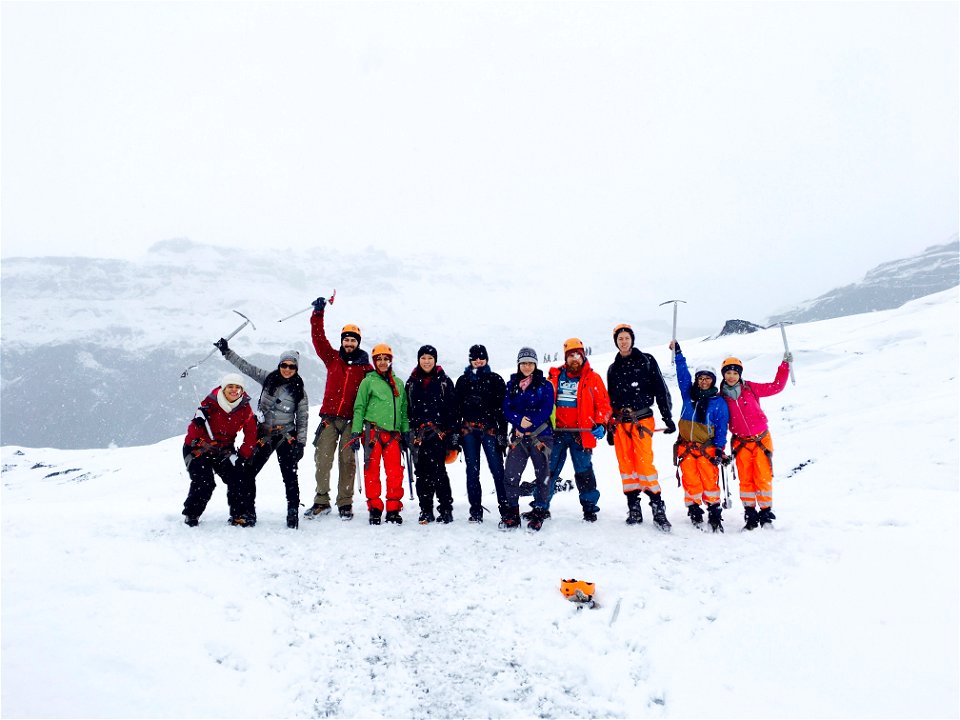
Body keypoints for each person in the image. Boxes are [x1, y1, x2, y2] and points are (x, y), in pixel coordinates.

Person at [215, 339, 309, 529]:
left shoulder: (300, 391)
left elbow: (303, 418)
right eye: (284, 365)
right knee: (248, 472)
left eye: (292, 366)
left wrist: (301, 443)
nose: (288, 369)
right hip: (264, 434)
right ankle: (248, 513)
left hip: (286, 436)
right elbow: (246, 367)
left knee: (290, 476)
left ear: (296, 368)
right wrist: (227, 352)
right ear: (279, 365)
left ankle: (292, 514)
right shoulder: (268, 379)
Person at [306, 295, 372, 521]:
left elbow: (376, 393)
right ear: (342, 341)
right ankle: (321, 501)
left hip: (352, 421)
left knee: (348, 461)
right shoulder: (332, 358)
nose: (349, 343)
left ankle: (345, 503)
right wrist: (318, 314)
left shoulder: (366, 368)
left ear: (358, 343)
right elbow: (318, 339)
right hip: (329, 419)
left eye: (353, 340)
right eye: (346, 340)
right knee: (323, 459)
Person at [538, 338, 612, 530]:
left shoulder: (592, 379)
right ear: (566, 357)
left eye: (578, 355)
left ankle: (589, 507)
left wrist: (602, 424)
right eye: (571, 355)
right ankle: (541, 506)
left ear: (583, 356)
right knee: (549, 470)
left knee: (584, 471)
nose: (575, 359)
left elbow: (603, 406)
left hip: (581, 434)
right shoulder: (554, 378)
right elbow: (542, 404)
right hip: (557, 434)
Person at [607, 324, 676, 531]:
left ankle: (657, 506)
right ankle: (633, 507)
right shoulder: (613, 368)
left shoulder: (646, 360)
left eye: (626, 338)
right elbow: (610, 399)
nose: (624, 342)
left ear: (632, 339)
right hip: (620, 422)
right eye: (620, 339)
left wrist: (667, 416)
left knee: (644, 464)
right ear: (616, 342)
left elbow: (660, 389)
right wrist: (610, 426)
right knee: (626, 466)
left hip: (642, 419)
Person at [719, 352, 791, 530]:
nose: (731, 376)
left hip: (761, 440)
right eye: (728, 372)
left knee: (763, 477)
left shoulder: (750, 388)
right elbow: (718, 424)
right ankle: (750, 515)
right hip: (741, 443)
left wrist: (784, 366)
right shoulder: (721, 397)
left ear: (740, 375)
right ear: (723, 375)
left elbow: (776, 387)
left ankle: (766, 515)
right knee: (746, 480)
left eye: (735, 373)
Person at [181, 373, 258, 527]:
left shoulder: (244, 407)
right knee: (205, 482)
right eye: (230, 386)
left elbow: (251, 433)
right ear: (224, 388)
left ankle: (239, 514)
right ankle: (191, 514)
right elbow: (191, 435)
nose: (234, 390)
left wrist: (243, 455)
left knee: (238, 476)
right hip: (199, 450)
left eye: (238, 387)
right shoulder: (209, 404)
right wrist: (198, 422)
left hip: (223, 451)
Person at [669, 340, 730, 532]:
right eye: (701, 378)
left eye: (708, 378)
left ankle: (714, 511)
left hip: (707, 449)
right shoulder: (689, 394)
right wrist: (678, 353)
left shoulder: (719, 402)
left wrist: (720, 448)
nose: (704, 381)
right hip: (686, 447)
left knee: (710, 482)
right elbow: (682, 374)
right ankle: (694, 509)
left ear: (713, 380)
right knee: (691, 480)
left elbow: (721, 428)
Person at [351, 343, 410, 525]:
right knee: (372, 472)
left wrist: (406, 432)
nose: (383, 362)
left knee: (395, 473)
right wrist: (355, 431)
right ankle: (375, 508)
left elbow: (404, 411)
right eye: (379, 359)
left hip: (393, 435)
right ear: (374, 361)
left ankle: (393, 509)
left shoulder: (398, 383)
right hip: (373, 433)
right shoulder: (368, 381)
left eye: (386, 359)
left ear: (391, 361)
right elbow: (359, 407)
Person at [501, 347, 555, 530]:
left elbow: (546, 409)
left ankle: (539, 512)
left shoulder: (545, 385)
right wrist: (517, 421)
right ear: (518, 364)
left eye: (530, 363)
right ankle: (513, 512)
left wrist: (528, 424)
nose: (526, 366)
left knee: (543, 475)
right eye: (523, 363)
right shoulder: (512, 385)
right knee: (510, 474)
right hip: (518, 438)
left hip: (541, 437)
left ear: (535, 364)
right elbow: (506, 409)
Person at [405, 345, 458, 524]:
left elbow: (452, 410)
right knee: (421, 473)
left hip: (439, 434)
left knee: (439, 472)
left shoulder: (444, 381)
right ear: (419, 360)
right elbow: (408, 411)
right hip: (418, 435)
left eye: (430, 358)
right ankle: (425, 509)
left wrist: (452, 435)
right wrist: (408, 433)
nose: (426, 361)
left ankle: (445, 509)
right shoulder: (411, 383)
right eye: (423, 358)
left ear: (435, 360)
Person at [454, 344, 507, 523]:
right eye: (475, 358)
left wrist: (503, 435)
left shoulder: (496, 380)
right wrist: (455, 434)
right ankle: (475, 510)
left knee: (498, 471)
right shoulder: (462, 381)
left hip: (490, 431)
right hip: (468, 431)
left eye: (481, 357)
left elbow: (503, 410)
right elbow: (456, 410)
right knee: (472, 471)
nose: (478, 361)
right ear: (470, 360)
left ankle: (505, 509)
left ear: (487, 359)